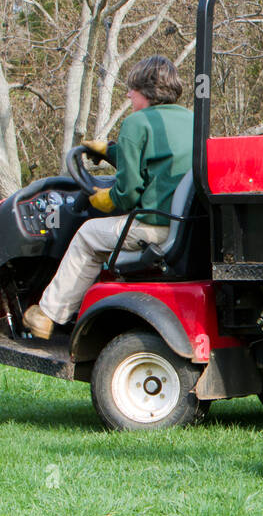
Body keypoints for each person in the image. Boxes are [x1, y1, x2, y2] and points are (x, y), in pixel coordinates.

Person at [24, 56, 192, 339]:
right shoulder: (192, 119)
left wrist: (106, 199)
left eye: (133, 90)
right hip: (185, 227)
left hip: (154, 228)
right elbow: (157, 160)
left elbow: (127, 194)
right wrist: (110, 151)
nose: (128, 95)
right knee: (99, 234)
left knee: (88, 233)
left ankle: (48, 315)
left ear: (147, 91)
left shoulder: (137, 123)